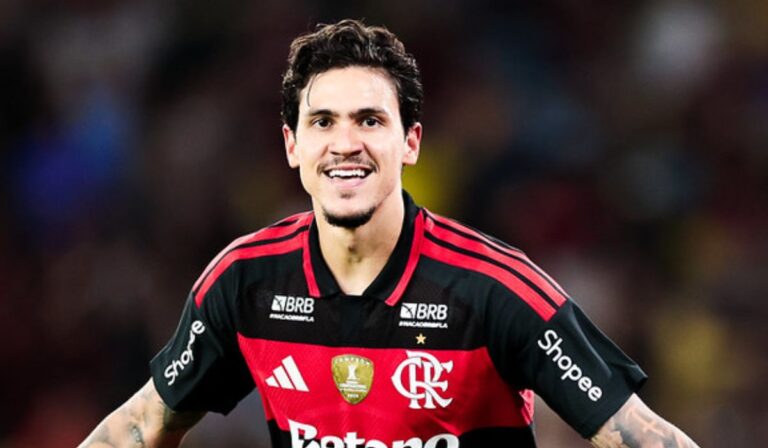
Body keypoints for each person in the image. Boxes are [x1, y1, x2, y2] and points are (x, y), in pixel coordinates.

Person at [80, 19, 700, 448]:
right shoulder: (246, 281)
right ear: (293, 146)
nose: (345, 143)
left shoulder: (494, 289)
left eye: (370, 120)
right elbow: (140, 427)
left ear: (411, 142)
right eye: (323, 122)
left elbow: (641, 436)